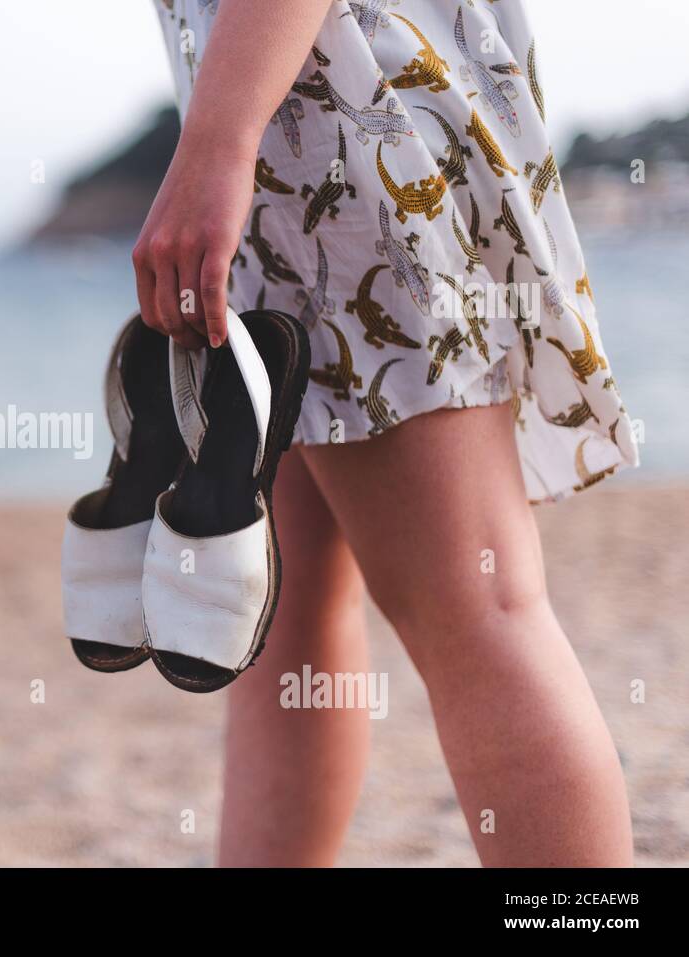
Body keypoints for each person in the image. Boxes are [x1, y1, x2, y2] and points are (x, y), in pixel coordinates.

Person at [135, 0, 638, 866]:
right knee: (284, 612)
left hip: (332, 116)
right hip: (302, 117)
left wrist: (219, 139)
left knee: (480, 612)